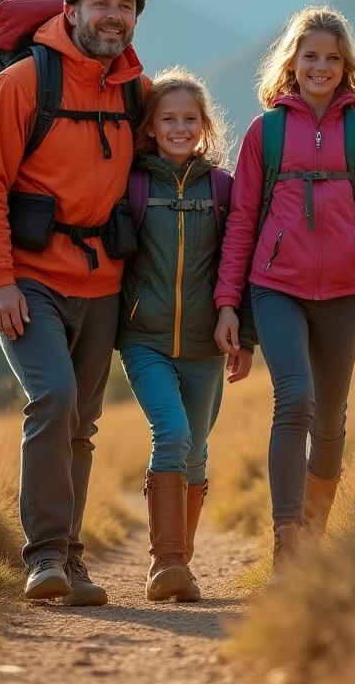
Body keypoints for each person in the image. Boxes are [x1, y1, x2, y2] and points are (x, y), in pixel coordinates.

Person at [0, 0, 150, 604]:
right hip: (30, 278)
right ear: (71, 10)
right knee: (53, 398)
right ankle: (43, 557)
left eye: (125, 6)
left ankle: (70, 559)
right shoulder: (22, 84)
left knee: (81, 424)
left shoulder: (135, 91)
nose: (113, 16)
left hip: (103, 283)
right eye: (101, 3)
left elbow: (172, 166)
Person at [213, 5, 355, 573]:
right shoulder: (266, 131)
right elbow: (241, 223)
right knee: (295, 398)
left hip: (344, 292)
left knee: (330, 419)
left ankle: (312, 544)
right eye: (310, 56)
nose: (320, 67)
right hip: (276, 288)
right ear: (291, 62)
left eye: (331, 58)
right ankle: (287, 544)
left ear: (346, 67)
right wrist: (227, 304)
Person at [118, 68, 254, 602]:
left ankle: (182, 566)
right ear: (150, 127)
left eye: (189, 119)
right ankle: (167, 562)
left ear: (204, 125)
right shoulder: (132, 183)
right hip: (143, 339)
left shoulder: (222, 188)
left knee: (196, 452)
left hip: (205, 344)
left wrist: (242, 331)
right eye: (168, 119)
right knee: (171, 433)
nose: (179, 128)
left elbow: (239, 262)